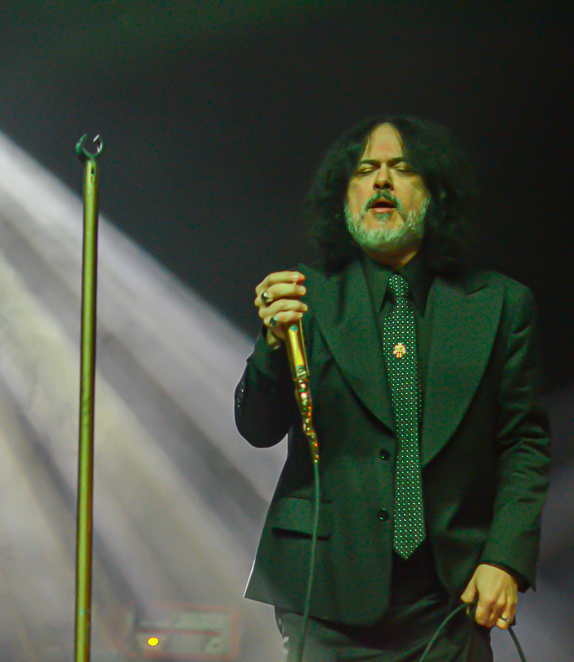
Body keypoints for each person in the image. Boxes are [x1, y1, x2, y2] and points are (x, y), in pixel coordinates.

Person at [235, 117, 550, 661]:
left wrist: (505, 558)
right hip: (326, 599)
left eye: (402, 169)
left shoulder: (500, 305)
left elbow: (523, 443)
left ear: (436, 195)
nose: (381, 180)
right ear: (343, 198)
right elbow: (257, 429)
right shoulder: (305, 298)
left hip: (450, 601)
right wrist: (270, 347)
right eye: (365, 170)